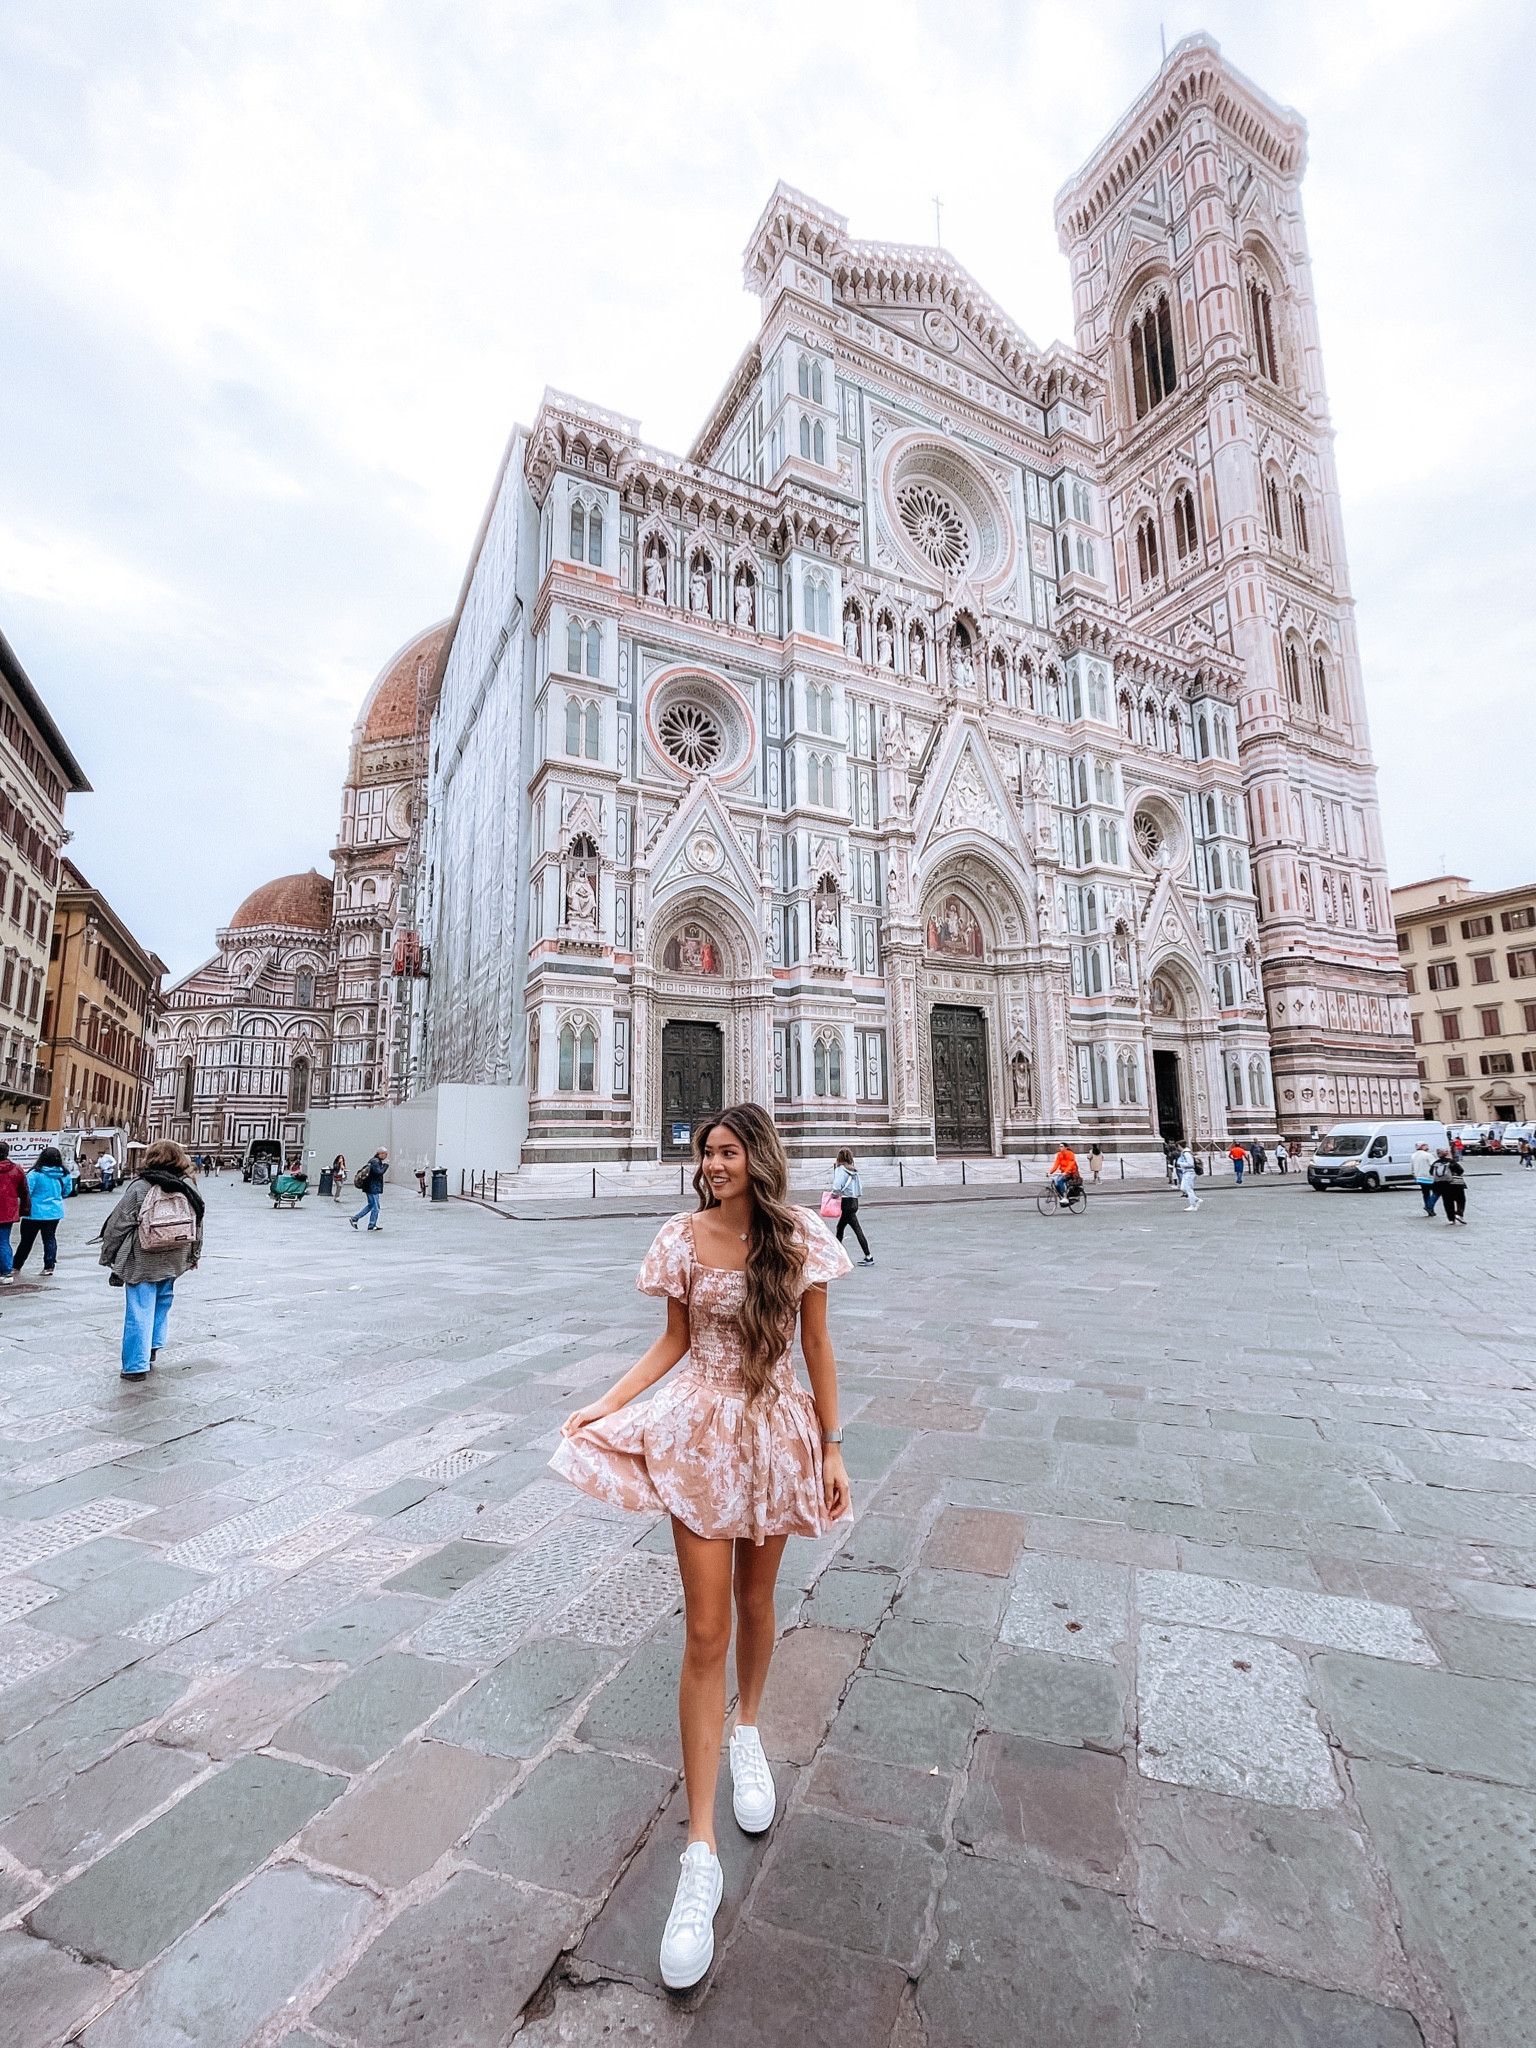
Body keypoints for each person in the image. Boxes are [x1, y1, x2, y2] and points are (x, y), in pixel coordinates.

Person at [551, 1103, 851, 1991]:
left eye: (724, 1152)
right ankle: (699, 1852)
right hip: (703, 1434)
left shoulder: (798, 1237)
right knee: (706, 1630)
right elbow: (673, 1342)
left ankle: (748, 1729)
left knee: (761, 1606)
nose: (711, 1164)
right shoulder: (680, 1237)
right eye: (704, 1153)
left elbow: (819, 1343)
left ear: (755, 1157)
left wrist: (833, 1445)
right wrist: (607, 1402)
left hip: (778, 1433)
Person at [99, 1140, 204, 1378]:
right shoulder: (188, 1186)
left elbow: (118, 1224)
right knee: (163, 1300)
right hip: (176, 1255)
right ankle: (153, 1345)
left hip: (143, 1256)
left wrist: (108, 1255)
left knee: (139, 1308)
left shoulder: (140, 1187)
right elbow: (198, 1223)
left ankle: (136, 1366)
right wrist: (194, 1254)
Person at [15, 1147, 72, 1276]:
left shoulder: (35, 1174)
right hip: (54, 1212)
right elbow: (67, 1191)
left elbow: (26, 1191)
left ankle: (16, 1266)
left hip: (33, 1213)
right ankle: (49, 1266)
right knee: (50, 1239)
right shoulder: (65, 1174)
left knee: (26, 1241)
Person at [830, 1147, 872, 1264]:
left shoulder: (841, 1170)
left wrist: (833, 1195)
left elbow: (837, 1186)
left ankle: (868, 1256)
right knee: (840, 1228)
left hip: (846, 1202)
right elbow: (860, 1188)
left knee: (856, 1229)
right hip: (854, 1201)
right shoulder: (853, 1171)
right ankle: (837, 1256)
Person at [0, 1142, 30, 1283]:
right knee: (3, 1241)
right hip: (8, 1211)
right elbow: (24, 1191)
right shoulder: (16, 1169)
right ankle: (6, 1272)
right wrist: (25, 1208)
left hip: (7, 1211)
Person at [350, 1150, 388, 1231]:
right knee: (376, 1207)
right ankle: (371, 1224)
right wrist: (385, 1165)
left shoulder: (373, 1161)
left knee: (371, 1205)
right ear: (380, 1154)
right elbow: (379, 1172)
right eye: (385, 1154)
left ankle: (355, 1218)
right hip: (373, 1187)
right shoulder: (376, 1162)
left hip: (370, 1187)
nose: (386, 1156)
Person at [1432, 1146, 1467, 1225]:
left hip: (1442, 1185)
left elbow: (1431, 1172)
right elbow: (1461, 1170)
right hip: (1456, 1184)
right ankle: (1459, 1214)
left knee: (1447, 1201)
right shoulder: (1451, 1162)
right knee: (1460, 1199)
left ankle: (1451, 1219)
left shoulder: (1436, 1163)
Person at [1411, 1142, 1437, 1216]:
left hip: (1419, 1177)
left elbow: (1412, 1167)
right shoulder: (1428, 1155)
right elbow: (1434, 1165)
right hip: (1428, 1177)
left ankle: (1430, 1209)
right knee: (1437, 1191)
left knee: (1425, 1193)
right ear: (1422, 1146)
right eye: (1426, 1145)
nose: (1427, 1146)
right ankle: (1429, 1206)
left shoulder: (1414, 1155)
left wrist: (1414, 1175)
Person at [1176, 1144, 1201, 1211]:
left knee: (1189, 1189)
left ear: (1180, 1146)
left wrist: (1180, 1164)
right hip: (1185, 1172)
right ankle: (1195, 1199)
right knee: (1183, 1188)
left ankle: (1193, 1205)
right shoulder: (1184, 1153)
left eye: (1178, 1146)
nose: (1177, 1148)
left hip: (1189, 1173)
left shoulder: (1186, 1153)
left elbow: (1190, 1164)